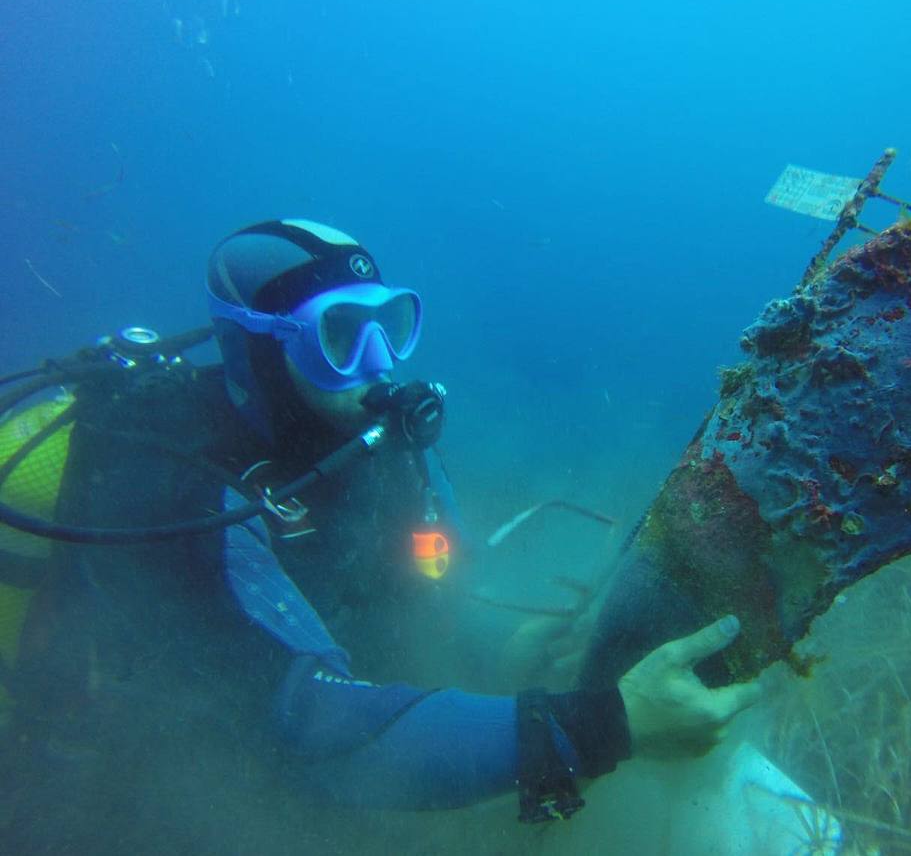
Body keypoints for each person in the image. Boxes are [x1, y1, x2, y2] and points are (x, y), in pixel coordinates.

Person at [0, 219, 760, 852]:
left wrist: (512, 647)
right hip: (142, 785)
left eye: (387, 325)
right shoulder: (181, 490)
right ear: (257, 349)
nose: (378, 365)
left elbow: (432, 600)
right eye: (339, 336)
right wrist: (611, 725)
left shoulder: (385, 448)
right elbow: (315, 730)